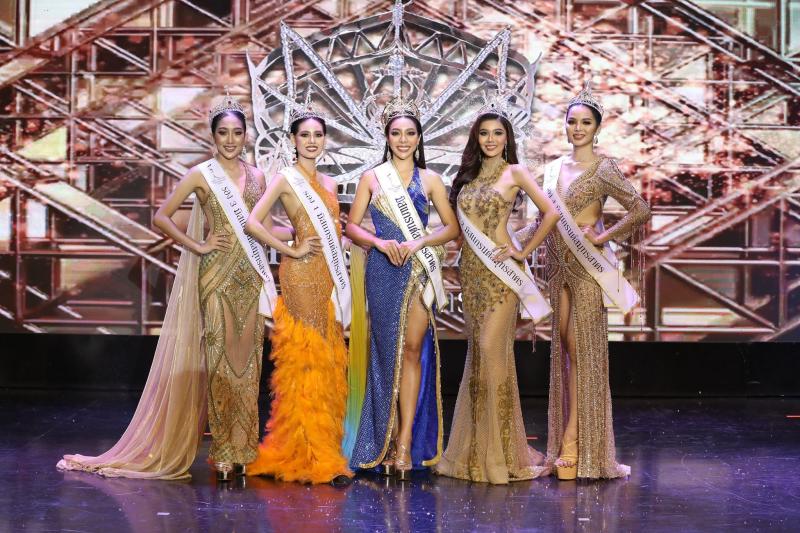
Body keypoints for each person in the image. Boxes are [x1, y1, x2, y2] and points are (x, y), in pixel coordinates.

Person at [57, 92, 276, 481]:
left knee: (250, 366)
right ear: (213, 135)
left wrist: (299, 237)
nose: (230, 139)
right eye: (223, 132)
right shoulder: (200, 174)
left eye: (237, 132)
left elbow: (266, 228)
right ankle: (224, 452)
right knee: (223, 366)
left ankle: (245, 450)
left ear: (246, 135)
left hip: (252, 278)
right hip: (217, 277)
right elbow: (162, 217)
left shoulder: (259, 176)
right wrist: (200, 244)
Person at [435, 110, 559, 484]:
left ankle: (496, 458)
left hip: (502, 277)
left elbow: (551, 212)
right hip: (471, 275)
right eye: (484, 133)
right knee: (480, 360)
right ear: (477, 138)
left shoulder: (515, 173)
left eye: (497, 133)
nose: (491, 139)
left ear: (507, 138)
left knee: (491, 355)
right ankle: (477, 453)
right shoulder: (468, 177)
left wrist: (523, 251)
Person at [345, 97, 459, 479]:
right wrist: (378, 243)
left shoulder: (430, 180)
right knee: (385, 355)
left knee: (411, 351)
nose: (403, 139)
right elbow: (352, 226)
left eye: (410, 133)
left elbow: (451, 227)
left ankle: (406, 441)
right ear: (387, 137)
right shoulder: (372, 178)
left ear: (419, 136)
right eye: (396, 133)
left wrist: (420, 243)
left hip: (417, 270)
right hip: (382, 270)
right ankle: (385, 438)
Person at [543, 82, 650, 480]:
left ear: (597, 128)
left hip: (588, 268)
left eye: (585, 122)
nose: (577, 128)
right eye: (572, 121)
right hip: (558, 266)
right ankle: (572, 438)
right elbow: (544, 219)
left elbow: (640, 208)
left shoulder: (604, 168)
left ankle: (575, 443)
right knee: (567, 353)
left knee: (584, 354)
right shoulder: (553, 168)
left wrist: (603, 236)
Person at [244, 106, 353, 485]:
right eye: (304, 135)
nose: (311, 141)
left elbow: (336, 233)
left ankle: (322, 447)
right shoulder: (285, 180)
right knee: (304, 362)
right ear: (293, 140)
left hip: (328, 277)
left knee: (326, 361)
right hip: (300, 276)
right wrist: (288, 249)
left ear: (324, 140)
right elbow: (253, 222)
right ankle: (305, 455)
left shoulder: (331, 183)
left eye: (318, 135)